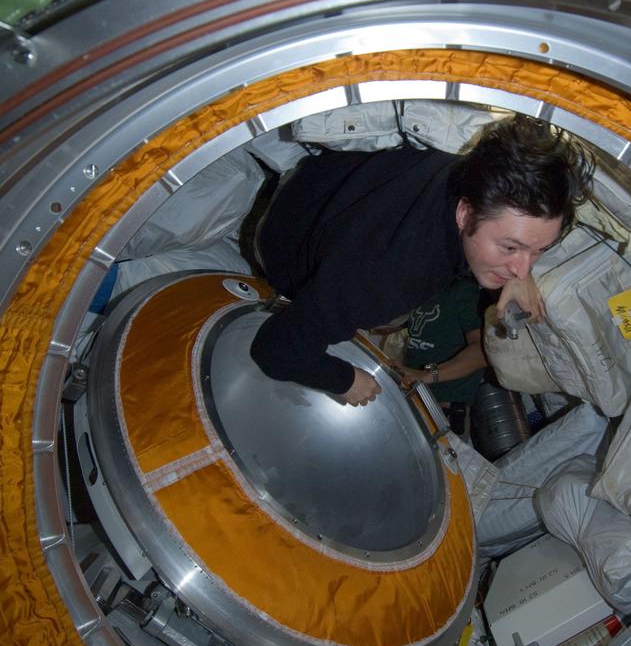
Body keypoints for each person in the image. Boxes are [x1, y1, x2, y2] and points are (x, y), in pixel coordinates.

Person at [249, 115, 593, 405]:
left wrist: (518, 271)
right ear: (465, 213)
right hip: (284, 232)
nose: (524, 267)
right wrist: (343, 380)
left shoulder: (480, 166)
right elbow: (275, 350)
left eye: (538, 250)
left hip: (330, 179)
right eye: (510, 248)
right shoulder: (385, 282)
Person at [394, 276, 487, 433]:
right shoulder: (421, 291)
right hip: (411, 403)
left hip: (442, 412)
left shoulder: (462, 290)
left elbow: (481, 352)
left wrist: (426, 375)